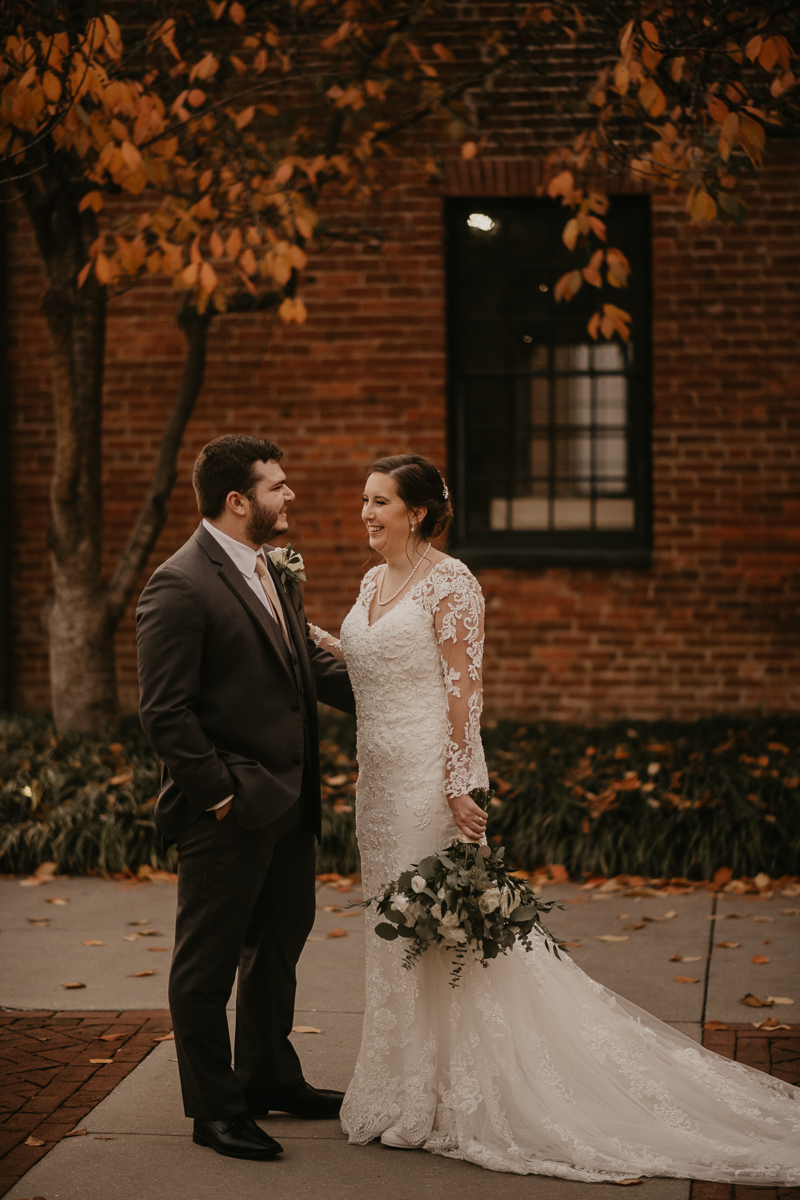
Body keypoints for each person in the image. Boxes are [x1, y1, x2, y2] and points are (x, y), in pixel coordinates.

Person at [309, 452, 800, 1184]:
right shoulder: (372, 582)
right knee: (396, 930)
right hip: (376, 789)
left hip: (426, 785)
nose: (365, 513)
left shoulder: (453, 581)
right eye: (363, 499)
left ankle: (445, 1098)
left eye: (379, 501)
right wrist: (318, 640)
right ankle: (405, 1088)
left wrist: (457, 785)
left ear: (416, 512)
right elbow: (376, 661)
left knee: (437, 932)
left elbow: (462, 691)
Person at [136, 435, 355, 1163]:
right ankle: (216, 1111)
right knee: (206, 967)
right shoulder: (179, 585)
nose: (290, 496)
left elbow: (303, 670)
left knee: (277, 949)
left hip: (290, 808)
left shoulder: (273, 570)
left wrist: (406, 692)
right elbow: (166, 712)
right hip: (228, 812)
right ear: (239, 501)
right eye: (278, 486)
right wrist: (221, 797)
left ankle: (267, 1076)